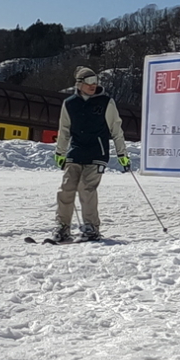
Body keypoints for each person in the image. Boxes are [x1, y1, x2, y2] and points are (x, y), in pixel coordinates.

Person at [50, 68, 131, 243]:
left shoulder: (106, 102)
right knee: (66, 189)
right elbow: (64, 130)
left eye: (95, 81)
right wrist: (60, 152)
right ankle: (63, 228)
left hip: (97, 151)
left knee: (86, 188)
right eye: (89, 81)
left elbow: (116, 130)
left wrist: (122, 154)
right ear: (79, 84)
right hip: (76, 151)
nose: (93, 85)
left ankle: (91, 228)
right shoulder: (70, 103)